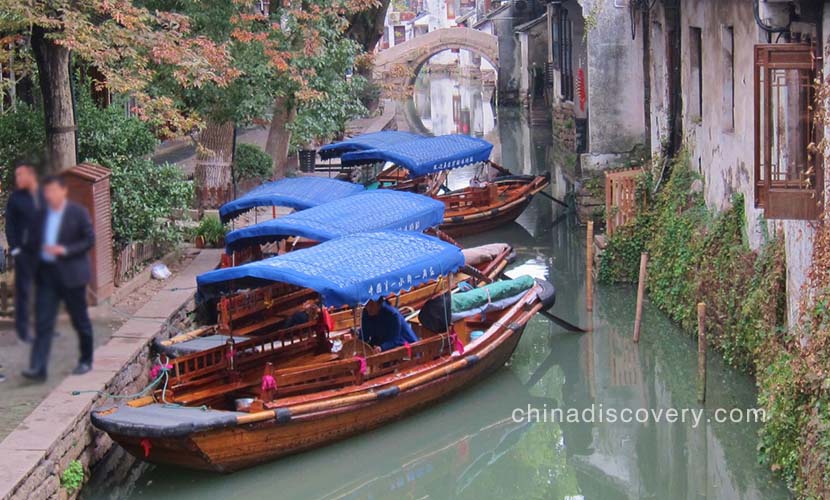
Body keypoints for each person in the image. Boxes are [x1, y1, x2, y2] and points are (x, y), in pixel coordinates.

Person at [22, 175, 95, 381]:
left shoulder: (77, 213)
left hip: (72, 276)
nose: (49, 195)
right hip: (47, 277)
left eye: (53, 191)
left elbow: (89, 240)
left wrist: (64, 250)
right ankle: (38, 367)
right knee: (43, 322)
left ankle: (86, 359)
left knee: (80, 320)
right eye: (47, 191)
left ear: (63, 191)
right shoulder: (41, 215)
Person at [4, 162, 43, 343]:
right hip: (24, 253)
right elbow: (9, 226)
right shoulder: (15, 199)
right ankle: (24, 331)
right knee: (25, 292)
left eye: (21, 175)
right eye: (16, 176)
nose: (18, 179)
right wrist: (15, 248)